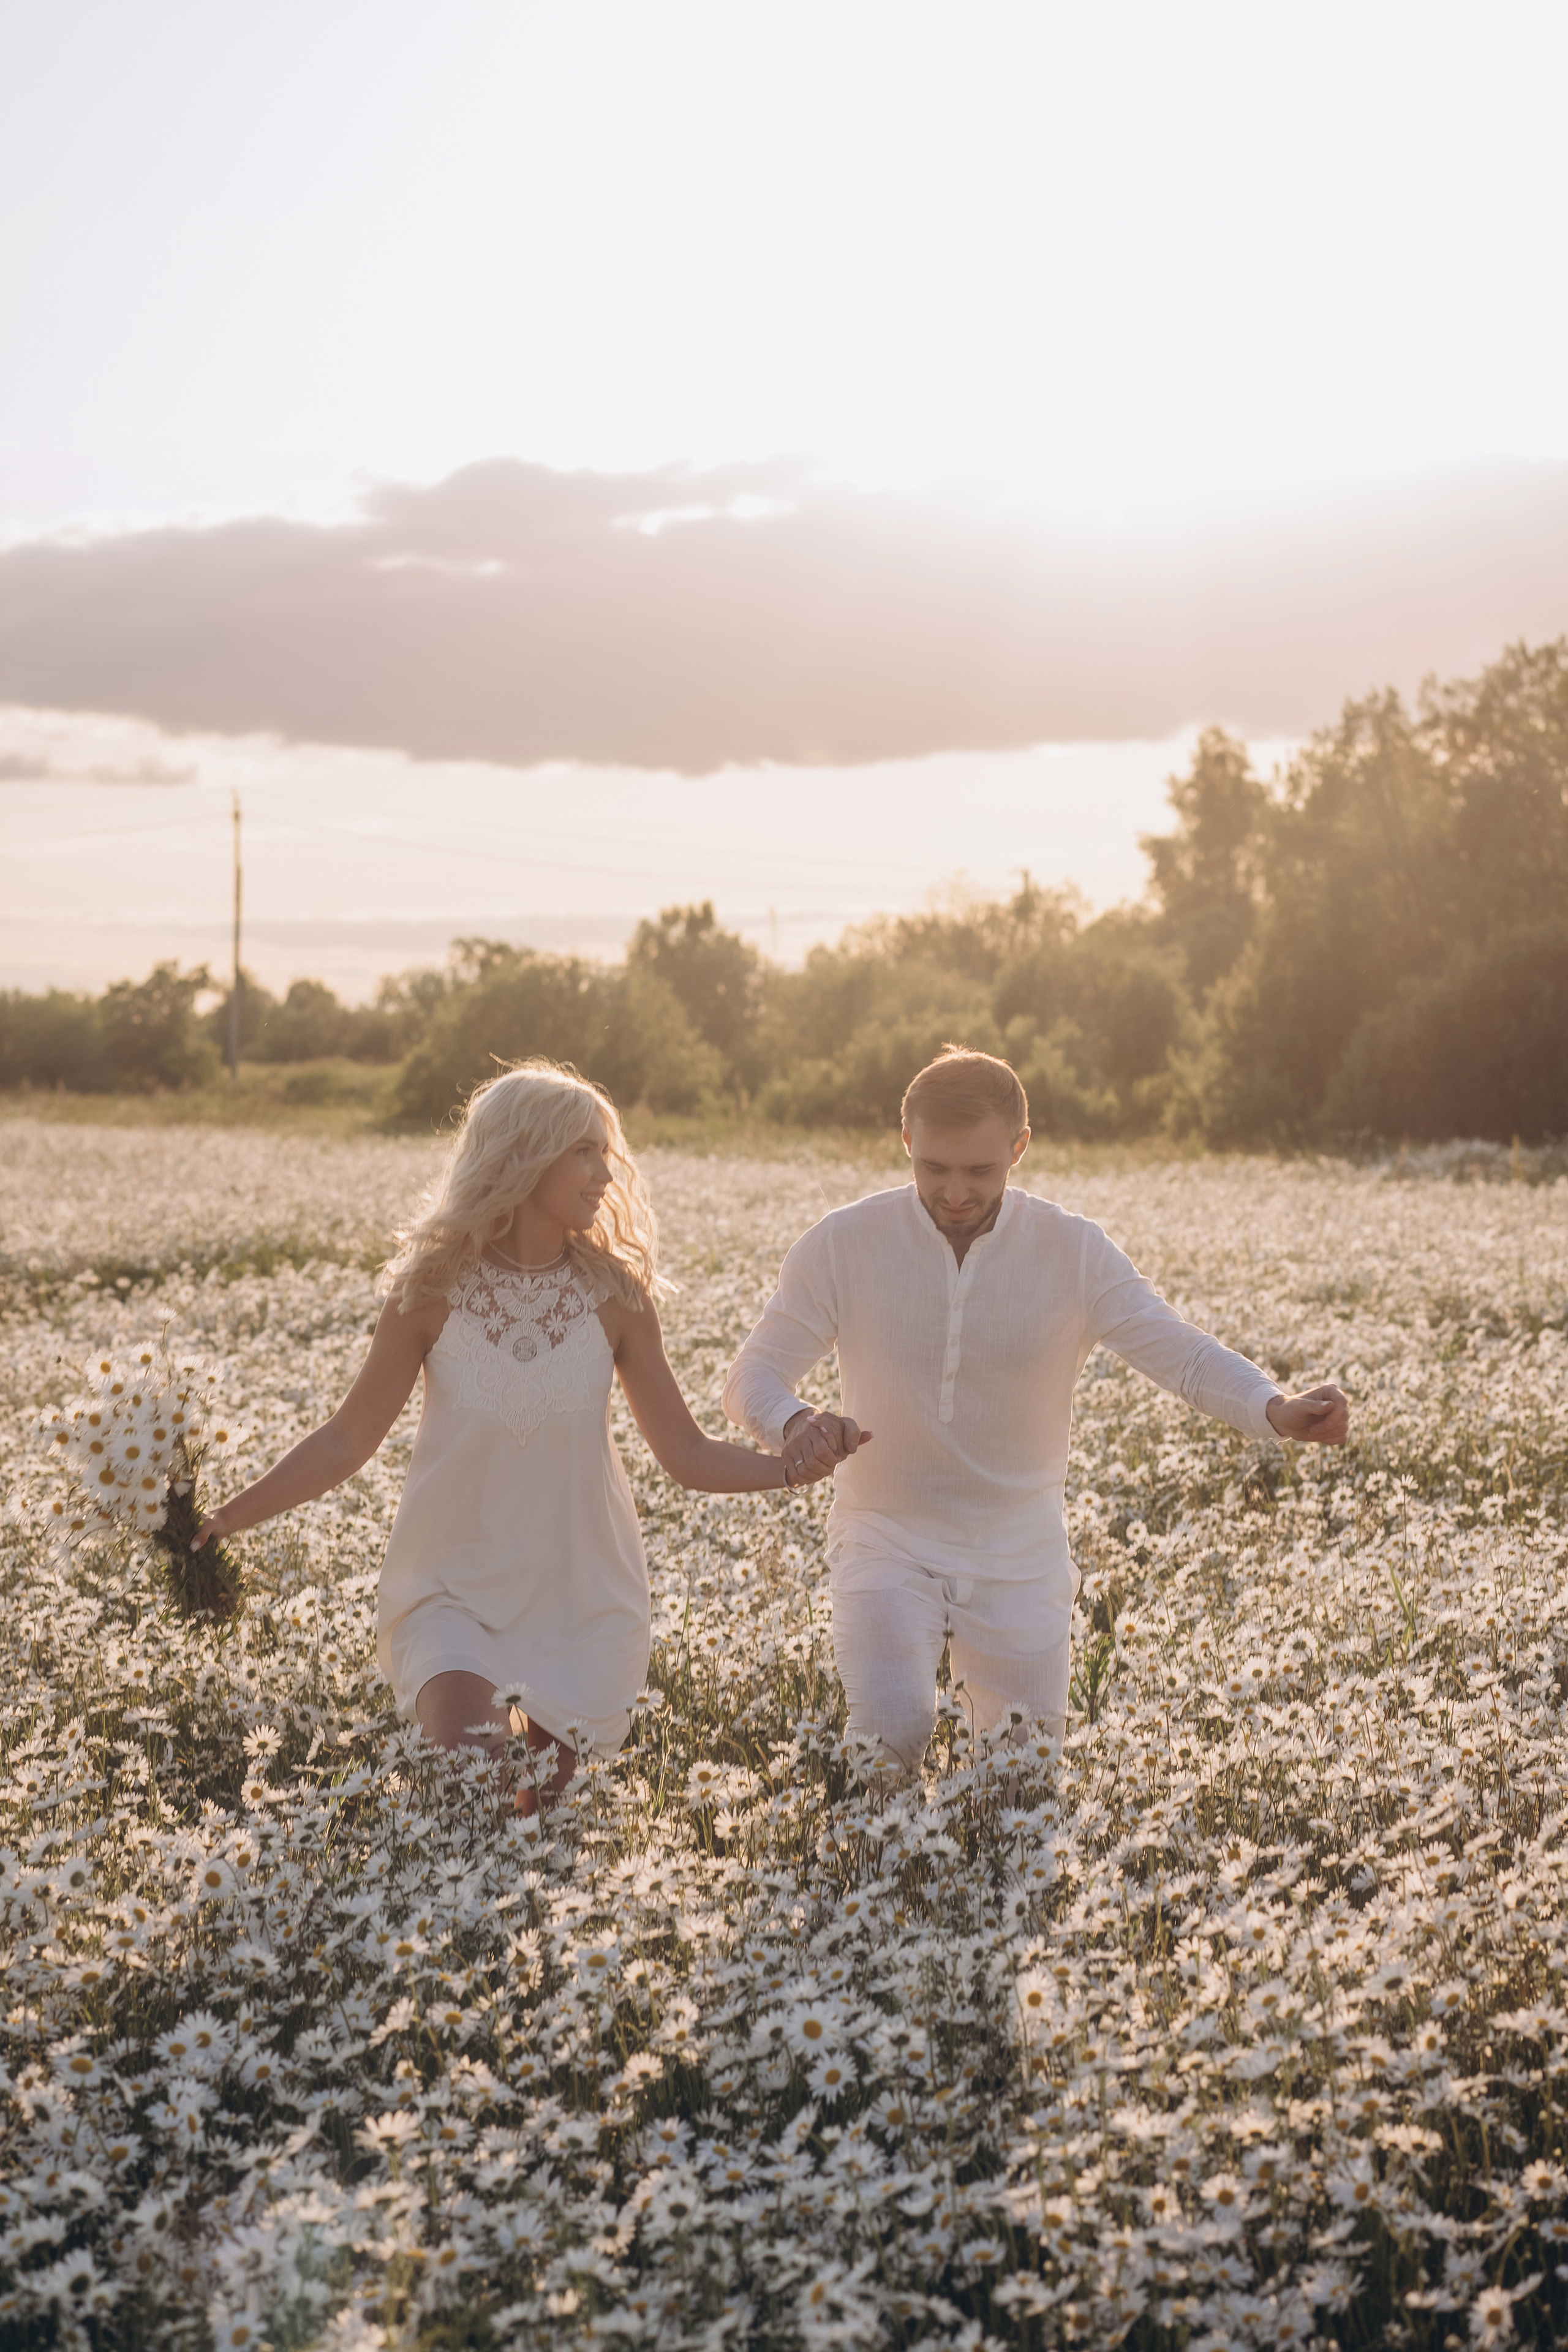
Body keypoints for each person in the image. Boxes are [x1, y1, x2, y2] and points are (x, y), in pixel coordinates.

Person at [194, 1059, 842, 1804]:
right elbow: (347, 1440)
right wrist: (228, 1518)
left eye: (606, 1150)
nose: (605, 1172)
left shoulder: (617, 1296)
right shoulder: (428, 1290)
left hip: (579, 1594)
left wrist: (790, 1468)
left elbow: (686, 1453)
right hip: (452, 1588)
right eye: (583, 1151)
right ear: (522, 1154)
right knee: (474, 1790)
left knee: (538, 1830)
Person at [723, 1046, 1348, 1771]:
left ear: (1020, 1148)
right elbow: (750, 1376)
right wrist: (794, 1422)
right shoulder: (843, 1243)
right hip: (883, 1536)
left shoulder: (1073, 1250)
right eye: (934, 1168)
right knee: (888, 1739)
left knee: (1019, 1781)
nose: (954, 1192)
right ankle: (886, 1882)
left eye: (979, 1171)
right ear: (906, 1145)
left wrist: (1272, 1407)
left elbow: (1177, 1351)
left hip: (1019, 1552)